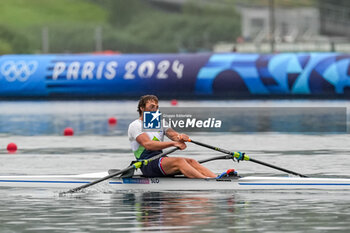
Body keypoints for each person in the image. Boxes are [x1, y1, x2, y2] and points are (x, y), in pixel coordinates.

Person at [128, 95, 217, 178]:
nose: (155, 109)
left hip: (160, 159)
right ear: (142, 108)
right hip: (147, 163)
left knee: (191, 161)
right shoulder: (135, 125)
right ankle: (205, 180)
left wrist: (180, 137)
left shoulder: (160, 123)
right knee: (179, 161)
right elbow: (148, 144)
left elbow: (173, 135)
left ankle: (216, 179)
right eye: (152, 106)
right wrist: (173, 143)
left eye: (156, 107)